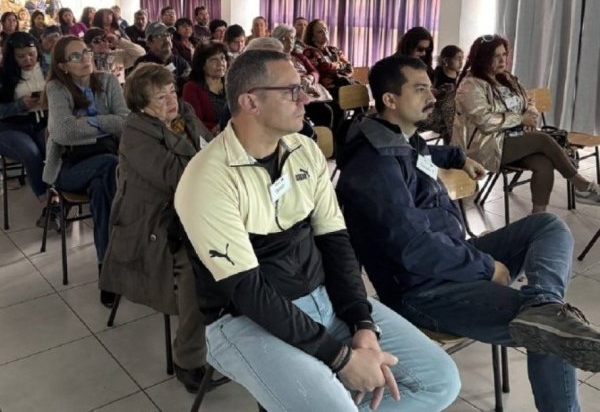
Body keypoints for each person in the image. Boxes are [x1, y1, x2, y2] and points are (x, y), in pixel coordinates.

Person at [175, 49, 460, 412]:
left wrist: (361, 321)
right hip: (244, 320)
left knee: (440, 380)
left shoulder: (304, 150)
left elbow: (337, 243)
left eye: (303, 87)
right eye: (292, 91)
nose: (306, 98)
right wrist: (341, 358)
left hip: (322, 296)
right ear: (250, 102)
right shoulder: (207, 178)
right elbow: (248, 291)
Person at [335, 54, 600, 412]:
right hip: (423, 290)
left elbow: (423, 154)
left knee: (548, 226)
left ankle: (544, 305)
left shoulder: (399, 137)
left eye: (430, 87)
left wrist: (458, 157)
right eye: (420, 89)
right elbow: (415, 248)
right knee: (550, 336)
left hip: (454, 257)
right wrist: (486, 267)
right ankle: (543, 315)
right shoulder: (374, 166)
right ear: (390, 100)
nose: (432, 96)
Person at [99, 63, 222, 393]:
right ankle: (188, 359)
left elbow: (213, 151)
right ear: (141, 105)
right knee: (200, 274)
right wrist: (211, 161)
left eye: (172, 91)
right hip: (156, 224)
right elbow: (179, 176)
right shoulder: (136, 133)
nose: (171, 101)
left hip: (197, 210)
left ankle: (234, 336)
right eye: (160, 97)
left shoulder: (185, 115)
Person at [452, 34, 600, 212]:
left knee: (543, 163)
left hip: (512, 139)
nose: (502, 60)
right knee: (542, 139)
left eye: (504, 54)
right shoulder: (470, 85)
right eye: (496, 56)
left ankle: (538, 217)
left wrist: (530, 114)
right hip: (483, 146)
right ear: (482, 58)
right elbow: (485, 121)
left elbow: (528, 102)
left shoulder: (506, 78)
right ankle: (581, 185)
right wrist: (520, 119)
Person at [43, 35, 128, 307]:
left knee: (102, 190)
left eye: (86, 52)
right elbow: (63, 132)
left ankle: (107, 269)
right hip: (70, 168)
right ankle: (124, 252)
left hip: (104, 167)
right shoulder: (57, 88)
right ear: (63, 66)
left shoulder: (107, 81)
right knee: (109, 166)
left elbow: (125, 122)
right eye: (75, 56)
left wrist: (88, 122)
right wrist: (104, 125)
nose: (85, 59)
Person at [0, 32, 53, 227]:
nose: (28, 60)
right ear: (12, 57)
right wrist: (19, 105)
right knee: (31, 153)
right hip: (10, 126)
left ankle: (57, 196)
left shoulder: (48, 68)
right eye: (21, 56)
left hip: (42, 122)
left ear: (38, 51)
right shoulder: (4, 75)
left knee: (52, 148)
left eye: (31, 54)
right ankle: (47, 202)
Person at [272, 24, 334, 128]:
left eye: (292, 38)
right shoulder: (274, 59)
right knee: (324, 112)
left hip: (310, 90)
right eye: (286, 39)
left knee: (328, 110)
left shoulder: (299, 56)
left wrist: (310, 78)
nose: (291, 42)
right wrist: (301, 82)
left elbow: (315, 71)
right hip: (293, 95)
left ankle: (326, 137)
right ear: (278, 41)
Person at [182, 42, 228, 134]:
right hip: (210, 137)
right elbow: (194, 122)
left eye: (222, 58)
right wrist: (220, 127)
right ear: (202, 65)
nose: (220, 63)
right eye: (213, 60)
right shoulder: (191, 88)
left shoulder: (231, 82)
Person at [134, 22, 190, 92]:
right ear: (149, 42)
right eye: (160, 36)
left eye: (168, 35)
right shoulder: (143, 64)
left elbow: (189, 76)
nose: (166, 39)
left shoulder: (178, 60)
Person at [303, 19, 354, 96]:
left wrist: (336, 67)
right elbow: (322, 68)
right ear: (312, 37)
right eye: (320, 31)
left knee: (355, 87)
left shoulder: (334, 49)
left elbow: (349, 67)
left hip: (343, 83)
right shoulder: (309, 52)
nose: (324, 33)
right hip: (325, 90)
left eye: (325, 29)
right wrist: (340, 65)